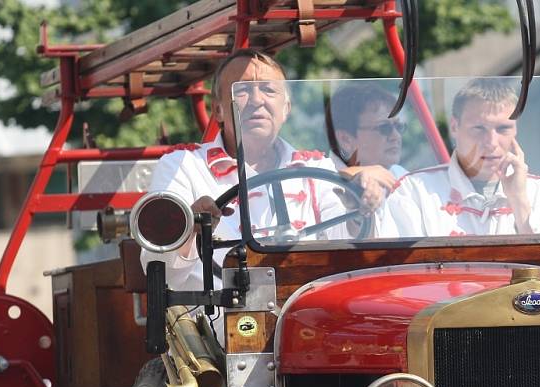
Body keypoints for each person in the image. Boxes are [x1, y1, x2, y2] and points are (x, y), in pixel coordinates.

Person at [140, 49, 384, 295]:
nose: (257, 100)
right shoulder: (184, 165)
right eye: (243, 90)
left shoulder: (315, 167)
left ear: (286, 108)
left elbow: (348, 254)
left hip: (308, 313)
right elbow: (160, 273)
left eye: (269, 90)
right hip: (220, 323)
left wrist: (358, 206)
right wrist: (190, 228)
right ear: (218, 111)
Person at [376, 78, 540, 237]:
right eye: (479, 129)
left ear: (515, 129)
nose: (491, 142)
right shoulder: (413, 192)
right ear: (455, 127)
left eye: (503, 129)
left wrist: (520, 203)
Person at [328, 84, 407, 182]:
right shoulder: (320, 185)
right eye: (384, 128)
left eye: (398, 126)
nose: (396, 136)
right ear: (345, 139)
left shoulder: (403, 177)